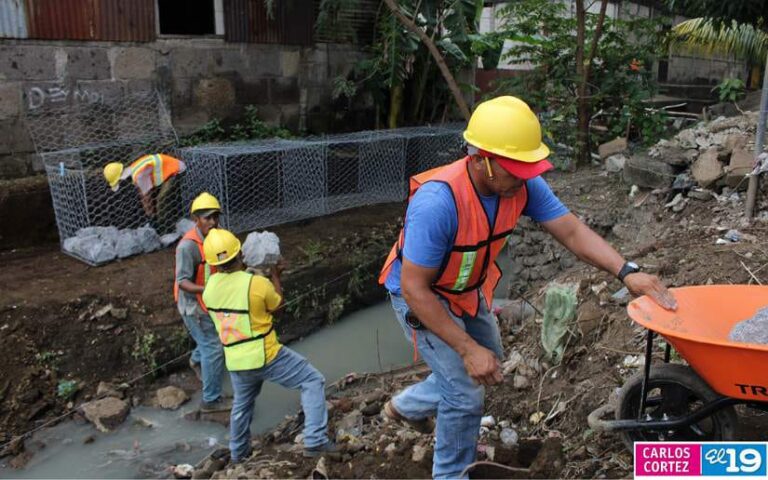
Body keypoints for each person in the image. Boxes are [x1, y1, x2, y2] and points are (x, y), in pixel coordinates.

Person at [378, 96, 677, 479]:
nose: (523, 178)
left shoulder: (520, 185)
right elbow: (416, 288)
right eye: (515, 169)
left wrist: (626, 272)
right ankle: (451, 475)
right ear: (481, 158)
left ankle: (408, 405)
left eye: (527, 168)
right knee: (467, 391)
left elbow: (570, 230)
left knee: (488, 362)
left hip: (466, 289)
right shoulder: (439, 202)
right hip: (421, 297)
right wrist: (467, 349)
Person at [201, 228, 338, 463]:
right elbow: (278, 306)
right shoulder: (256, 284)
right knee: (312, 381)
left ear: (212, 263)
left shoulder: (209, 289)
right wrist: (275, 275)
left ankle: (238, 453)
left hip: (235, 359)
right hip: (266, 354)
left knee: (242, 406)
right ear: (240, 255)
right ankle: (315, 440)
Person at [174, 192, 227, 412]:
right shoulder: (187, 247)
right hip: (193, 305)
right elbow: (182, 281)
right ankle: (211, 401)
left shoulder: (218, 237)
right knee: (214, 347)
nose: (213, 222)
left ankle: (196, 361)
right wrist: (209, 289)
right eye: (207, 218)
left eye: (215, 217)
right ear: (196, 219)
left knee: (207, 342)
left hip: (209, 300)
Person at [102, 153, 186, 219]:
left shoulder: (139, 176)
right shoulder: (134, 168)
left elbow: (146, 198)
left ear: (121, 178)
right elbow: (143, 194)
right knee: (156, 198)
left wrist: (150, 216)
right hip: (169, 171)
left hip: (177, 170)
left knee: (161, 200)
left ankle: (164, 229)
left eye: (119, 182)